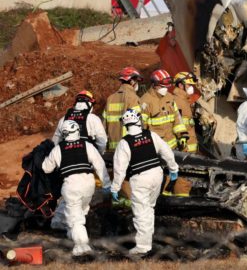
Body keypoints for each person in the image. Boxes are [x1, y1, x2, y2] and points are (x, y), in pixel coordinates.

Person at [110, 108, 178, 256]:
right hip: (157, 174)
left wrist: (115, 188)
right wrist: (173, 169)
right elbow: (167, 151)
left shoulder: (124, 143)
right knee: (149, 208)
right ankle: (148, 239)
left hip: (140, 179)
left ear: (125, 125)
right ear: (138, 121)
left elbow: (119, 169)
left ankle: (142, 247)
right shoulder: (151, 135)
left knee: (141, 212)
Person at [42, 120, 111, 257]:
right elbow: (99, 164)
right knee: (80, 211)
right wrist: (107, 185)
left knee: (75, 219)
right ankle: (68, 231)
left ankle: (82, 247)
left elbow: (46, 168)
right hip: (88, 185)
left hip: (72, 186)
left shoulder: (58, 149)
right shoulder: (86, 145)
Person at [139, 69, 183, 151]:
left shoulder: (169, 97)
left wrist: (182, 135)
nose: (165, 89)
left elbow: (178, 119)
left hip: (173, 148)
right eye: (162, 86)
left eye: (166, 86)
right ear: (154, 85)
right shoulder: (145, 101)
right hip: (156, 149)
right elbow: (141, 127)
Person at [103, 67, 143, 153]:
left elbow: (104, 124)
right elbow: (139, 124)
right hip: (129, 147)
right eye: (137, 81)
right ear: (132, 81)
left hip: (113, 148)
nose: (137, 84)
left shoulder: (110, 99)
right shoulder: (134, 98)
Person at [172, 72, 199, 153]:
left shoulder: (184, 101)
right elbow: (177, 127)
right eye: (189, 85)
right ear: (180, 85)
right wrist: (183, 148)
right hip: (185, 152)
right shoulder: (177, 101)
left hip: (190, 151)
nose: (191, 88)